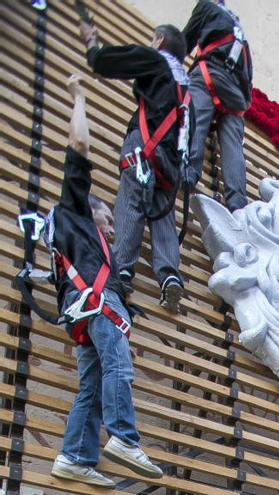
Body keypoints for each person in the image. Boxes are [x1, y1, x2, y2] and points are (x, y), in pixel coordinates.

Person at [49, 74, 163, 487]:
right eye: (108, 219)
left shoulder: (74, 239)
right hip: (97, 304)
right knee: (118, 366)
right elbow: (78, 148)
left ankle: (75, 456)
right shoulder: (75, 213)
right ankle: (123, 438)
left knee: (92, 384)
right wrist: (78, 97)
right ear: (88, 209)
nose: (113, 230)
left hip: (81, 311)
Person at [80, 21, 192, 313]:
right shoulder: (185, 85)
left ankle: (122, 270)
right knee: (163, 214)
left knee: (131, 201)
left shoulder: (155, 60)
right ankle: (169, 275)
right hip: (170, 162)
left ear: (159, 41)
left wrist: (92, 45)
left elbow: (107, 62)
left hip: (143, 147)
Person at [183, 0, 253, 212]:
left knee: (197, 118)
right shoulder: (238, 31)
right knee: (233, 145)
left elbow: (183, 43)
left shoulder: (207, 7)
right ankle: (237, 203)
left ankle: (188, 174)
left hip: (210, 75)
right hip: (237, 96)